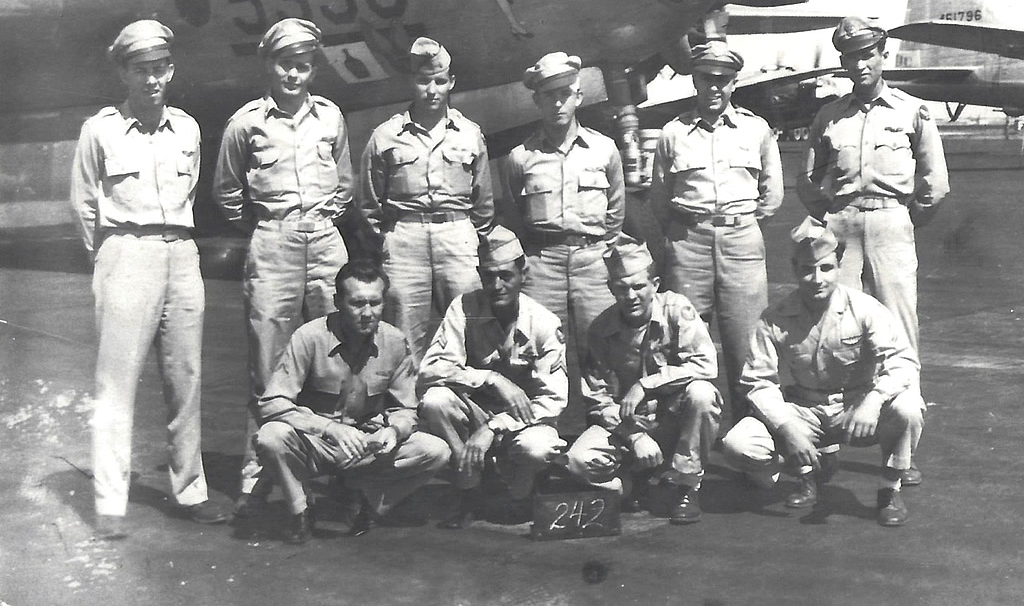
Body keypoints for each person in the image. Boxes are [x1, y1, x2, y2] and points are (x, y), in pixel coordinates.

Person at [71, 20, 226, 539]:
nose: (153, 80)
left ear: (171, 70)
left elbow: (192, 191)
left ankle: (191, 491)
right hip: (126, 252)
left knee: (186, 378)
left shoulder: (187, 128)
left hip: (181, 253)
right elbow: (86, 203)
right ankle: (110, 503)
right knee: (116, 383)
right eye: (142, 70)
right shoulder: (101, 130)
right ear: (124, 72)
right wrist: (111, 258)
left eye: (161, 69)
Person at [797, 16, 948, 484]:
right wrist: (836, 216)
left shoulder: (912, 111)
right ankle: (829, 439)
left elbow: (935, 184)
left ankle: (901, 449)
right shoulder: (829, 115)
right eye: (850, 56)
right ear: (842, 61)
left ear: (883, 55)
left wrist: (901, 218)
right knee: (835, 328)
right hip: (841, 225)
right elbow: (808, 178)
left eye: (868, 54)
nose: (860, 64)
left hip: (890, 223)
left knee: (900, 330)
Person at [213, 17, 354, 504]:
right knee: (268, 360)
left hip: (326, 241)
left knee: (336, 355)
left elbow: (346, 181)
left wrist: (322, 220)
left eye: (303, 66)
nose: (294, 75)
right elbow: (227, 193)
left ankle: (333, 462)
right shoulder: (247, 123)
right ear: (268, 65)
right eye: (284, 65)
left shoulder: (331, 117)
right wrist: (268, 229)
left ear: (313, 68)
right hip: (273, 242)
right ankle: (258, 470)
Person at [720, 217, 924, 527]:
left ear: (839, 266)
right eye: (806, 269)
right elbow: (758, 382)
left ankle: (889, 489)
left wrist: (874, 400)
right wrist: (787, 429)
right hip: (806, 410)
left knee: (908, 408)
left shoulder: (865, 309)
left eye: (825, 268)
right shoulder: (774, 317)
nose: (816, 278)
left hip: (856, 408)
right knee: (738, 445)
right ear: (794, 268)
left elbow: (903, 362)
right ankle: (806, 476)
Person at [253, 259, 450, 543]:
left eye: (375, 303)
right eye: (357, 303)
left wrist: (393, 431)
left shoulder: (394, 341)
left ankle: (368, 504)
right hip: (316, 443)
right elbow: (272, 403)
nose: (367, 313)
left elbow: (405, 408)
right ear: (337, 302)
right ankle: (301, 512)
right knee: (271, 436)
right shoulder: (309, 337)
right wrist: (328, 428)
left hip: (365, 445)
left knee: (436, 450)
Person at [649, 40, 783, 419]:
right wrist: (688, 231)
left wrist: (740, 227)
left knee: (748, 346)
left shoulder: (755, 130)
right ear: (695, 80)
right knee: (683, 344)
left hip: (742, 242)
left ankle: (750, 440)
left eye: (723, 80)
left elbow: (771, 195)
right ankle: (686, 438)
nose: (714, 87)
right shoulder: (672, 134)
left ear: (734, 83)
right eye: (707, 78)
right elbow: (660, 199)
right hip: (688, 242)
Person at [501, 52, 624, 432]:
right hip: (543, 261)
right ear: (536, 100)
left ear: (579, 96)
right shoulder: (521, 157)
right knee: (539, 351)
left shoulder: (604, 150)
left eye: (564, 94)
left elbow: (616, 211)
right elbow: (512, 214)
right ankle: (539, 441)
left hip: (592, 258)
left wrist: (601, 250)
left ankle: (606, 441)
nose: (557, 103)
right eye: (548, 95)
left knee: (601, 350)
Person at [418, 226, 568, 528]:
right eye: (488, 276)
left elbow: (552, 401)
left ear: (523, 272)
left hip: (523, 422)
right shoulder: (463, 308)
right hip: (476, 413)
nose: (497, 285)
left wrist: (493, 428)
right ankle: (469, 487)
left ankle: (522, 491)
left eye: (505, 275)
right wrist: (489, 378)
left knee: (538, 449)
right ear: (479, 273)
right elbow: (429, 370)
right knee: (435, 401)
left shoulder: (543, 323)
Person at [565, 236, 722, 524]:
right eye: (622, 288)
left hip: (674, 418)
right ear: (611, 289)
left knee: (703, 394)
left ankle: (686, 486)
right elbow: (597, 397)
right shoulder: (601, 329)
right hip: (631, 423)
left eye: (638, 286)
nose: (631, 296)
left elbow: (705, 364)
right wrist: (634, 436)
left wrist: (646, 384)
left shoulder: (677, 310)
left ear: (656, 284)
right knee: (577, 462)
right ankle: (632, 482)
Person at [358, 36, 494, 364]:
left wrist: (470, 236)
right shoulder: (386, 135)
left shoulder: (470, 134)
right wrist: (389, 240)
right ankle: (404, 410)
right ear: (411, 82)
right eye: (422, 81)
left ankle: (474, 405)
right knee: (403, 335)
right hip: (405, 241)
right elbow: (368, 202)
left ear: (451, 83)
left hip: (456, 236)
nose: (431, 90)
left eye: (439, 81)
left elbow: (484, 200)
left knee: (471, 329)